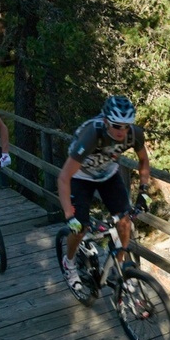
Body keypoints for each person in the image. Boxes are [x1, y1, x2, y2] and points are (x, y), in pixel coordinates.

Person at [58, 95, 153, 300]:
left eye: (126, 126)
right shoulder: (92, 135)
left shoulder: (133, 134)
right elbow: (64, 177)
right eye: (117, 125)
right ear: (106, 121)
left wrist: (144, 191)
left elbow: (144, 160)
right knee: (80, 226)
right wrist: (69, 215)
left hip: (108, 174)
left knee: (125, 221)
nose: (121, 131)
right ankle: (70, 261)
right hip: (80, 176)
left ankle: (120, 270)